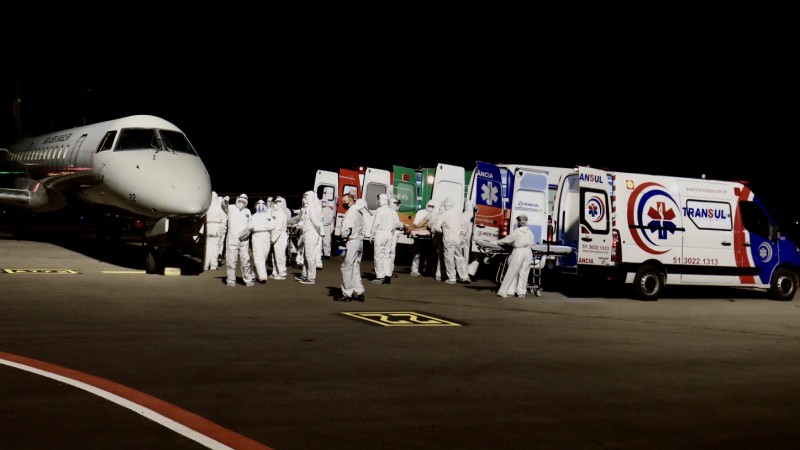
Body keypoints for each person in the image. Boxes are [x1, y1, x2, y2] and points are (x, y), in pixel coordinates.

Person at [494, 214, 535, 298]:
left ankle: (506, 290)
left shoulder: (517, 231)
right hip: (528, 252)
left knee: (512, 271)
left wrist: (497, 242)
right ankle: (521, 292)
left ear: (519, 222)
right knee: (524, 272)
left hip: (519, 251)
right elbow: (533, 243)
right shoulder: (530, 232)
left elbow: (506, 240)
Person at [336, 194, 366, 302]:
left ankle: (347, 293)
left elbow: (346, 228)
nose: (342, 203)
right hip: (360, 242)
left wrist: (343, 238)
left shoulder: (350, 212)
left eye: (344, 202)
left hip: (351, 242)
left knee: (346, 267)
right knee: (355, 268)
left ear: (351, 201)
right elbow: (364, 227)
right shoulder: (360, 213)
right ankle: (359, 292)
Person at [222, 193, 255, 287]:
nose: (242, 202)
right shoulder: (231, 208)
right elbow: (224, 207)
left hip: (244, 240)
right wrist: (225, 201)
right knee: (231, 261)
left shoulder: (247, 211)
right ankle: (231, 280)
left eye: (244, 200)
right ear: (237, 199)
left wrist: (248, 229)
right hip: (232, 239)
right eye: (240, 200)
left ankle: (248, 279)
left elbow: (250, 223)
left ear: (246, 202)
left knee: (245, 260)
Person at [371, 193, 403, 284]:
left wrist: (372, 233)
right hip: (389, 234)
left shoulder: (379, 210)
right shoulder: (391, 211)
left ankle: (380, 277)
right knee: (387, 256)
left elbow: (376, 223)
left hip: (380, 233)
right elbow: (396, 223)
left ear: (380, 200)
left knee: (378, 256)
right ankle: (387, 275)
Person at [439, 197, 470, 284]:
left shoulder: (443, 215)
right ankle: (465, 276)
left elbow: (437, 228)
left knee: (449, 259)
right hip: (458, 239)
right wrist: (461, 234)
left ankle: (452, 278)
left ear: (445, 205)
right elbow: (464, 226)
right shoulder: (459, 214)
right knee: (460, 257)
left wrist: (444, 231)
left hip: (448, 240)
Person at [295, 190, 323, 285]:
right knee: (306, 256)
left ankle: (311, 278)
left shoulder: (313, 208)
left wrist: (319, 232)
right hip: (307, 234)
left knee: (310, 257)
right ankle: (305, 274)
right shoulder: (309, 208)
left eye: (306, 197)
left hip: (311, 234)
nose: (304, 199)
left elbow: (316, 223)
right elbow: (307, 221)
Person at [250, 199, 275, 283]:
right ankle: (262, 276)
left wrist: (260, 227)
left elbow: (272, 225)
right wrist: (263, 226)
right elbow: (251, 226)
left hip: (266, 236)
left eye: (262, 203)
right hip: (256, 236)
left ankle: (253, 274)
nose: (261, 205)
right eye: (259, 203)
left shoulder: (268, 216)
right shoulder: (253, 216)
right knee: (258, 255)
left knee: (264, 256)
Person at [409, 199, 435, 277]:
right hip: (419, 235)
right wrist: (424, 221)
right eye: (429, 206)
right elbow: (416, 223)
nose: (430, 208)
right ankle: (414, 269)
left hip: (428, 236)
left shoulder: (434, 214)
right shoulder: (420, 212)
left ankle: (427, 269)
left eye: (432, 206)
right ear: (426, 205)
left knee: (428, 254)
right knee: (417, 253)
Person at [204, 191, 227, 271]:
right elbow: (224, 220)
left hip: (208, 227)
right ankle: (213, 265)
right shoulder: (220, 208)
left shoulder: (207, 207)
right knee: (215, 248)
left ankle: (205, 265)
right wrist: (223, 229)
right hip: (217, 227)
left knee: (207, 247)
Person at [270, 196, 289, 280]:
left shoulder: (281, 214)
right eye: (276, 201)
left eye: (278, 202)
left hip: (280, 237)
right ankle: (275, 272)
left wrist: (272, 239)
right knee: (274, 256)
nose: (276, 203)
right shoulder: (276, 213)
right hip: (276, 236)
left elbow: (278, 229)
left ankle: (282, 273)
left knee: (280, 256)